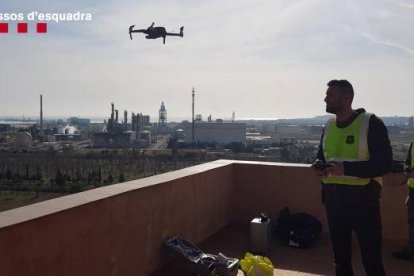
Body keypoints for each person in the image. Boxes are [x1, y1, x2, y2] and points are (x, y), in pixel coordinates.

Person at [313, 79, 392, 276]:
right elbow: (321, 155)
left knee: (371, 259)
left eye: (331, 95)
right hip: (333, 200)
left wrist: (346, 169)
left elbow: (384, 164)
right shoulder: (329, 126)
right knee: (340, 259)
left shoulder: (370, 123)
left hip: (363, 202)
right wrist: (318, 165)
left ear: (346, 98)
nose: (325, 98)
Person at [392, 141, 414, 260]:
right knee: (412, 223)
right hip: (413, 190)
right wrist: (407, 170)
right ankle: (411, 250)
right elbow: (408, 162)